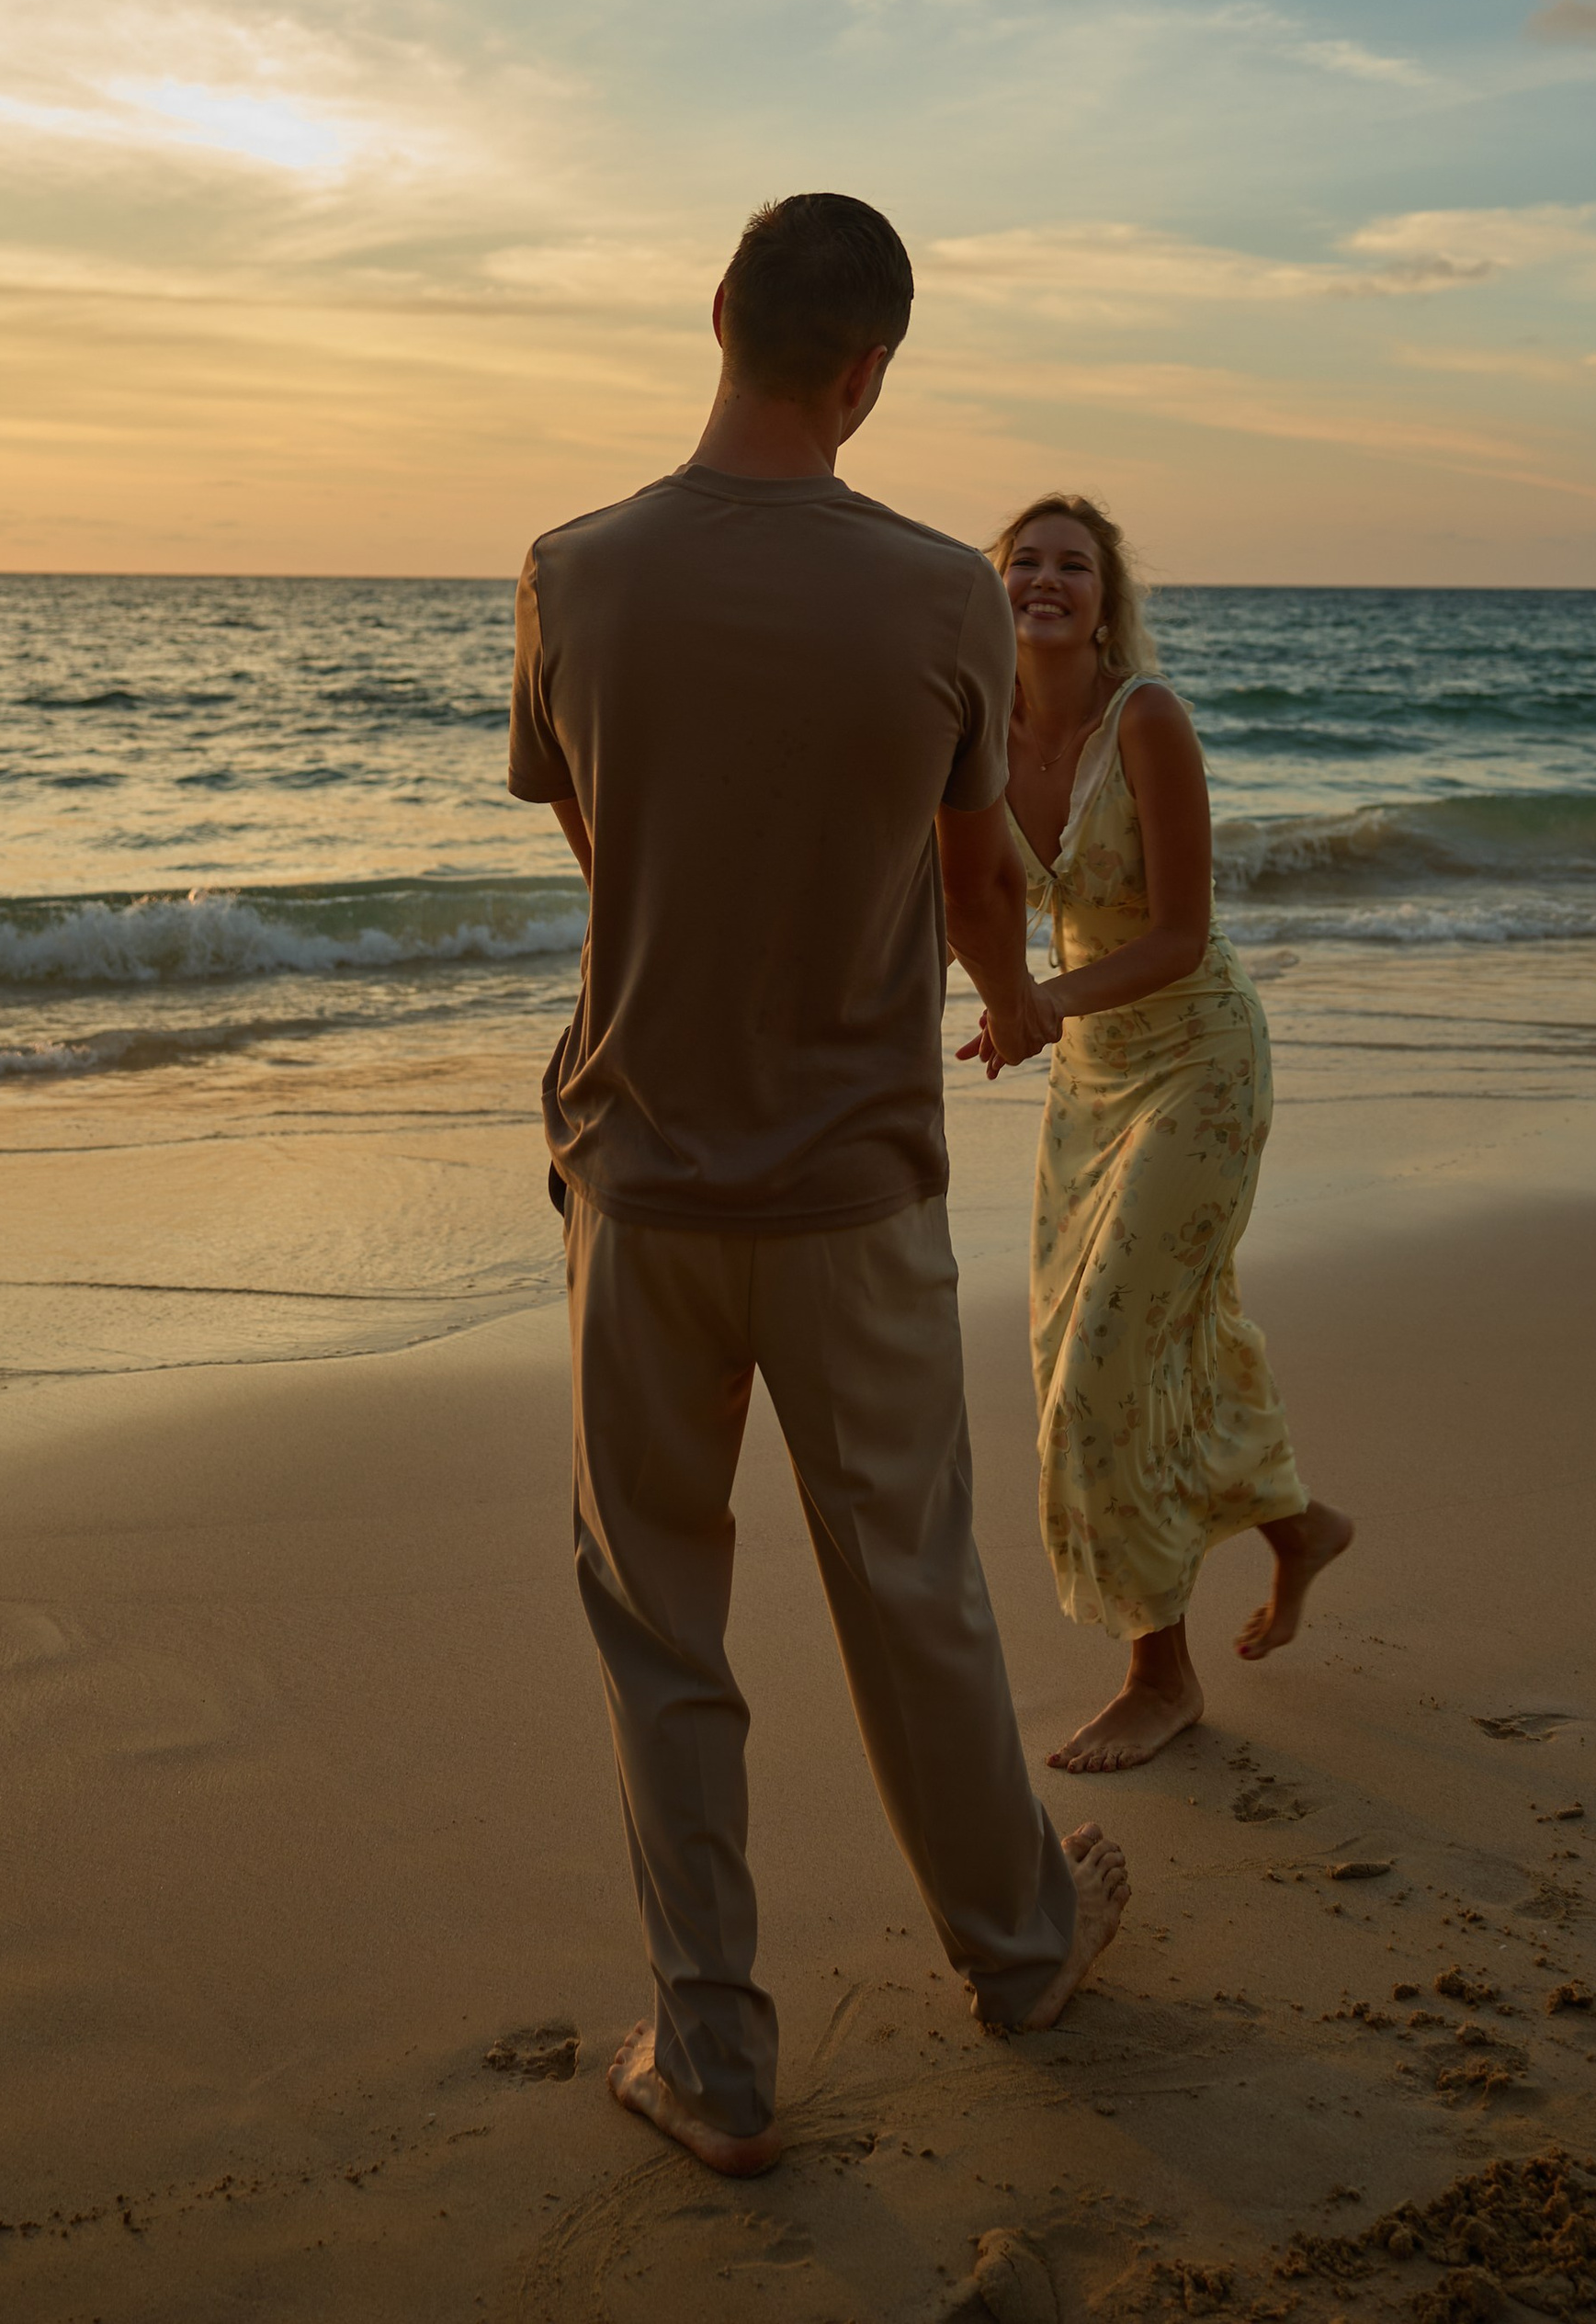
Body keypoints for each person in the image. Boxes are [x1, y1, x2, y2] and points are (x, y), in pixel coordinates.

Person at [508, 198, 1129, 2181]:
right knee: (910, 1590)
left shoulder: (569, 573)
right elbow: (965, 896)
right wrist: (1021, 998)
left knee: (661, 1622)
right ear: (868, 369)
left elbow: (606, 854)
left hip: (643, 1184)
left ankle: (710, 2059)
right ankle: (1019, 1954)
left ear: (719, 320)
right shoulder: (943, 595)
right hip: (851, 1186)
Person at [962, 493, 1353, 1775]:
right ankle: (1294, 1527)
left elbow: (1180, 934)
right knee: (1132, 1334)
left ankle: (1161, 1675)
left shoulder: (1150, 721)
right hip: (1089, 1080)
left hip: (1198, 1061)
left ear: (1107, 595)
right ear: (994, 585)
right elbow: (955, 896)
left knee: (1104, 1367)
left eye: (1074, 565)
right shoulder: (972, 730)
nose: (1047, 582)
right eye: (1027, 562)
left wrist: (1040, 1005)